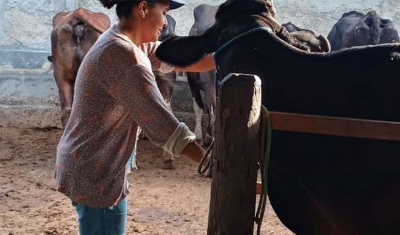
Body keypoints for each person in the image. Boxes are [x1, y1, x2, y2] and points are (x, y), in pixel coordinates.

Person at [54, 0, 215, 234]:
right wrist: (212, 163)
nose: (163, 22)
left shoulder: (121, 40)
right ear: (142, 9)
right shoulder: (125, 56)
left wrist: (224, 58)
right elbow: (165, 128)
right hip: (94, 173)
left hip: (103, 167)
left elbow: (175, 59)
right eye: (163, 13)